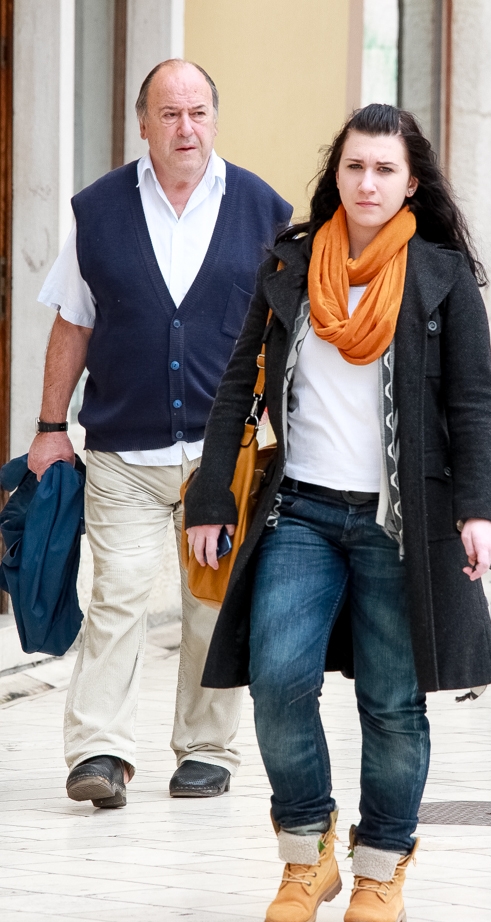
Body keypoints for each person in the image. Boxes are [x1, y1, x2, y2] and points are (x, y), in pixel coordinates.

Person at [185, 104, 491, 922]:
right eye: (355, 166)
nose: (367, 182)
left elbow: (473, 403)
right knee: (277, 680)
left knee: (391, 701)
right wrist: (212, 497)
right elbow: (237, 385)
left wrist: (479, 510)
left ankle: (380, 869)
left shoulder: (440, 277)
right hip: (301, 511)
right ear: (337, 172)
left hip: (400, 523)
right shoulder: (290, 264)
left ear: (411, 182)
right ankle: (306, 851)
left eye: (385, 169)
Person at [29, 59, 292, 808]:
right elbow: (73, 322)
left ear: (216, 119)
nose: (186, 128)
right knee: (117, 598)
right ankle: (100, 751)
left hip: (222, 456)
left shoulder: (263, 210)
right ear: (142, 123)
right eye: (169, 114)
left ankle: (206, 750)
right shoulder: (98, 210)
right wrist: (50, 427)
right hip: (123, 452)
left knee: (211, 602)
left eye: (198, 112)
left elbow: (287, 333)